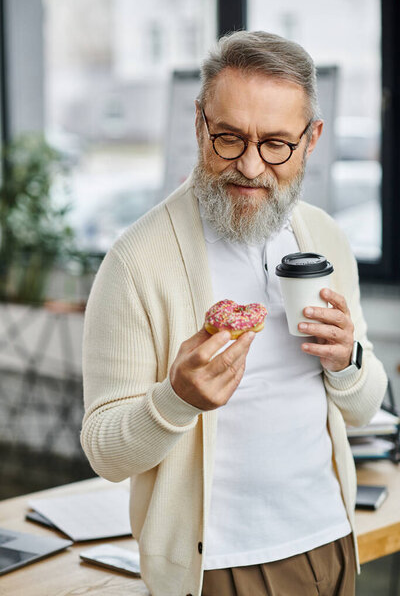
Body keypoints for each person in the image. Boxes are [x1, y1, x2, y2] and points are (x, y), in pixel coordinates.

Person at [81, 31, 387, 596]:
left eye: (276, 144)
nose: (249, 166)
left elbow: (367, 407)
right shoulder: (135, 261)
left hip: (331, 540)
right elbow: (103, 450)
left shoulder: (324, 236)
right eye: (228, 138)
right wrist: (176, 400)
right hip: (218, 567)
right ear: (199, 124)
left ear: (312, 139)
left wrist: (348, 360)